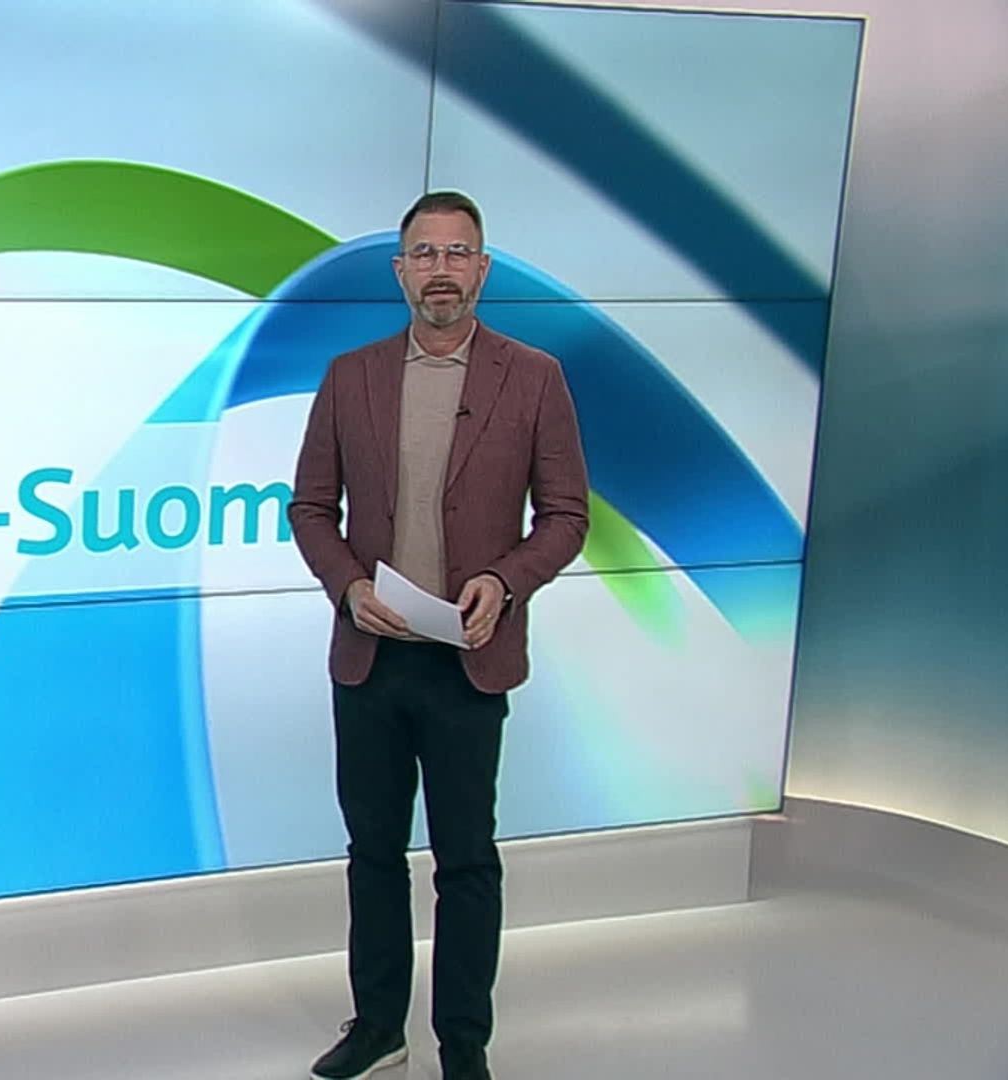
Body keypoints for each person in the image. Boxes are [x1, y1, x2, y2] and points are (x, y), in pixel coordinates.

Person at [288, 190, 590, 1080]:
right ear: (401, 271)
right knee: (373, 854)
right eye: (425, 254)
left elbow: (566, 516)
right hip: (372, 661)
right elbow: (311, 508)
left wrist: (507, 580)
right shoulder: (350, 376)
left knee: (466, 861)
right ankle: (379, 1026)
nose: (442, 270)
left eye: (458, 254)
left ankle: (464, 1046)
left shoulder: (534, 378)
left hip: (470, 664)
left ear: (483, 269)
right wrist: (348, 588)